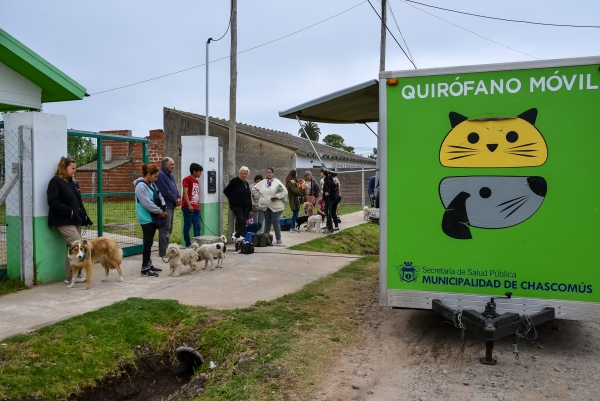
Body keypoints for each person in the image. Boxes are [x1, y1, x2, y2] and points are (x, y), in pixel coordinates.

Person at [47, 157, 93, 284]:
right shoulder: (55, 182)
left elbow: (79, 203)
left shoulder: (73, 183)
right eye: (72, 168)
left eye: (75, 168)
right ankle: (73, 276)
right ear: (64, 168)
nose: (75, 171)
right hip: (63, 220)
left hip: (75, 220)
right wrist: (68, 210)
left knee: (74, 248)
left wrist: (86, 219)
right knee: (78, 246)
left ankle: (70, 276)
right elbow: (52, 201)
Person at [134, 164, 167, 277]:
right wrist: (159, 211)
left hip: (152, 217)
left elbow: (160, 195)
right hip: (145, 218)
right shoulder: (140, 186)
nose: (156, 179)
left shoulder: (151, 185)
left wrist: (164, 207)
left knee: (150, 242)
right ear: (148, 175)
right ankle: (145, 269)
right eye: (155, 176)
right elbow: (147, 203)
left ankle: (149, 264)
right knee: (148, 243)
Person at [251, 167, 288, 245]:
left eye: (270, 172)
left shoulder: (277, 182)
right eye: (267, 172)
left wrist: (277, 196)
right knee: (267, 222)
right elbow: (254, 189)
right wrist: (259, 196)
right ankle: (266, 238)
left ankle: (278, 239)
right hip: (265, 206)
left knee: (275, 222)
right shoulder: (262, 182)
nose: (268, 174)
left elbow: (285, 192)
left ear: (273, 173)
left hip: (276, 206)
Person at [155, 157, 181, 257]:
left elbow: (174, 187)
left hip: (171, 205)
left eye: (173, 164)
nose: (173, 166)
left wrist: (178, 197)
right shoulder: (161, 175)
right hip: (165, 206)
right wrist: (175, 199)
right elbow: (165, 191)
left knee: (169, 229)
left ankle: (166, 250)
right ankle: (163, 252)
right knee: (165, 229)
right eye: (171, 164)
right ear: (165, 164)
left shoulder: (169, 174)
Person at [223, 166, 252, 238]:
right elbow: (226, 191)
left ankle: (242, 236)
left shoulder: (246, 183)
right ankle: (239, 236)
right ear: (239, 173)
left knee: (243, 221)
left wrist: (250, 209)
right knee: (240, 220)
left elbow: (249, 196)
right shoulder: (235, 181)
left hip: (246, 206)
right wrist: (234, 198)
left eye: (246, 173)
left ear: (248, 174)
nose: (244, 175)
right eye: (242, 173)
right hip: (236, 205)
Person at [182, 163, 203, 248]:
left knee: (197, 226)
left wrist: (199, 206)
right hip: (188, 207)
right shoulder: (187, 179)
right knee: (188, 225)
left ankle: (197, 245)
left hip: (196, 208)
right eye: (199, 171)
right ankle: (188, 244)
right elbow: (185, 193)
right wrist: (189, 205)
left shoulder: (196, 181)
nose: (200, 173)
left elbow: (196, 195)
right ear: (194, 171)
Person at [322, 169, 339, 233]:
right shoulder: (327, 180)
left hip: (329, 199)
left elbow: (334, 185)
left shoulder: (327, 180)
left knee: (328, 213)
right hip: (328, 199)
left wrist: (328, 192)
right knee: (328, 213)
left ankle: (330, 228)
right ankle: (329, 227)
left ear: (323, 173)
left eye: (321, 172)